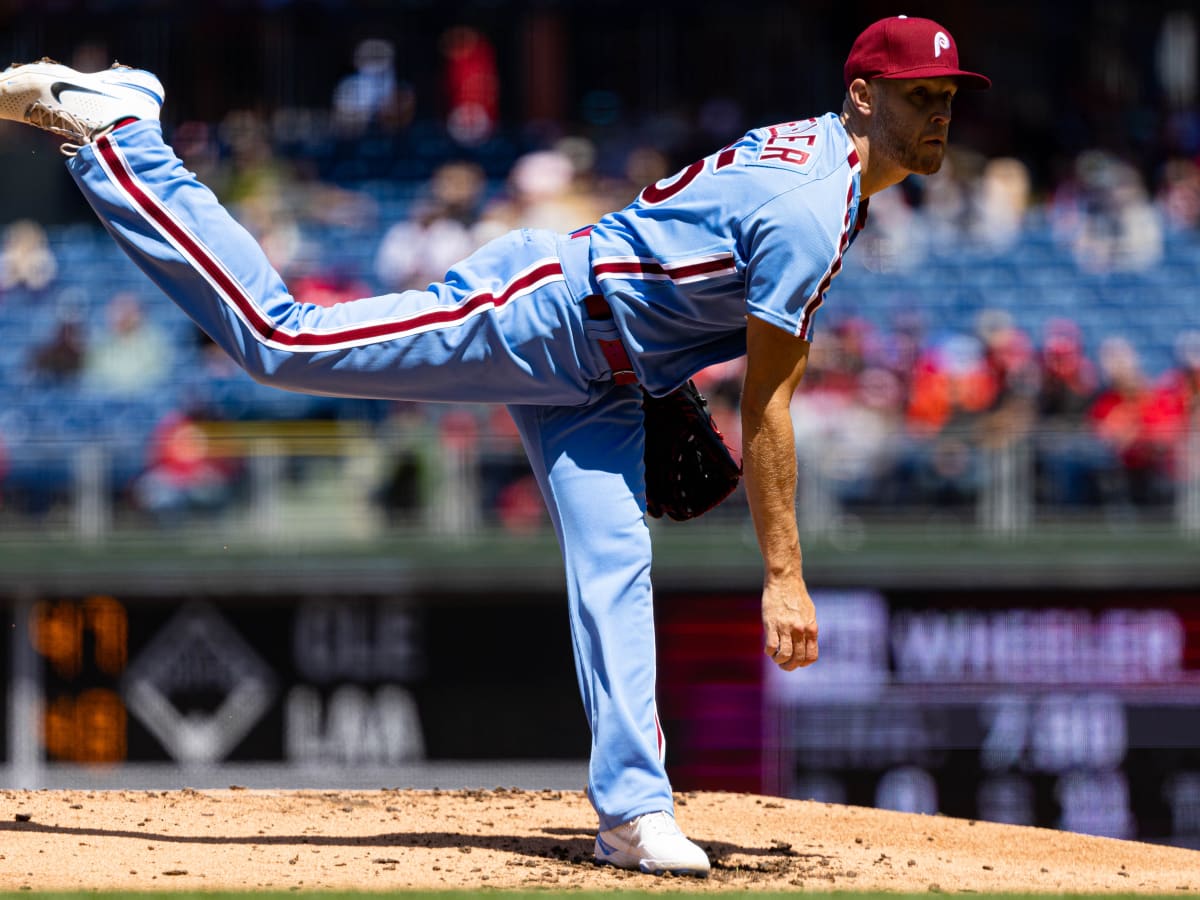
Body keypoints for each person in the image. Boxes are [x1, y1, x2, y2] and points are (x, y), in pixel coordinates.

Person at [0, 16, 988, 877]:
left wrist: (662, 366)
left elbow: (684, 253)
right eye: (916, 95)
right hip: (542, 318)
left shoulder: (816, 163)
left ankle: (635, 812)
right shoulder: (815, 207)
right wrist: (784, 576)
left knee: (615, 558)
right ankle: (125, 132)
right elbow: (770, 410)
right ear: (862, 95)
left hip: (607, 365)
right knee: (279, 340)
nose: (937, 113)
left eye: (946, 95)